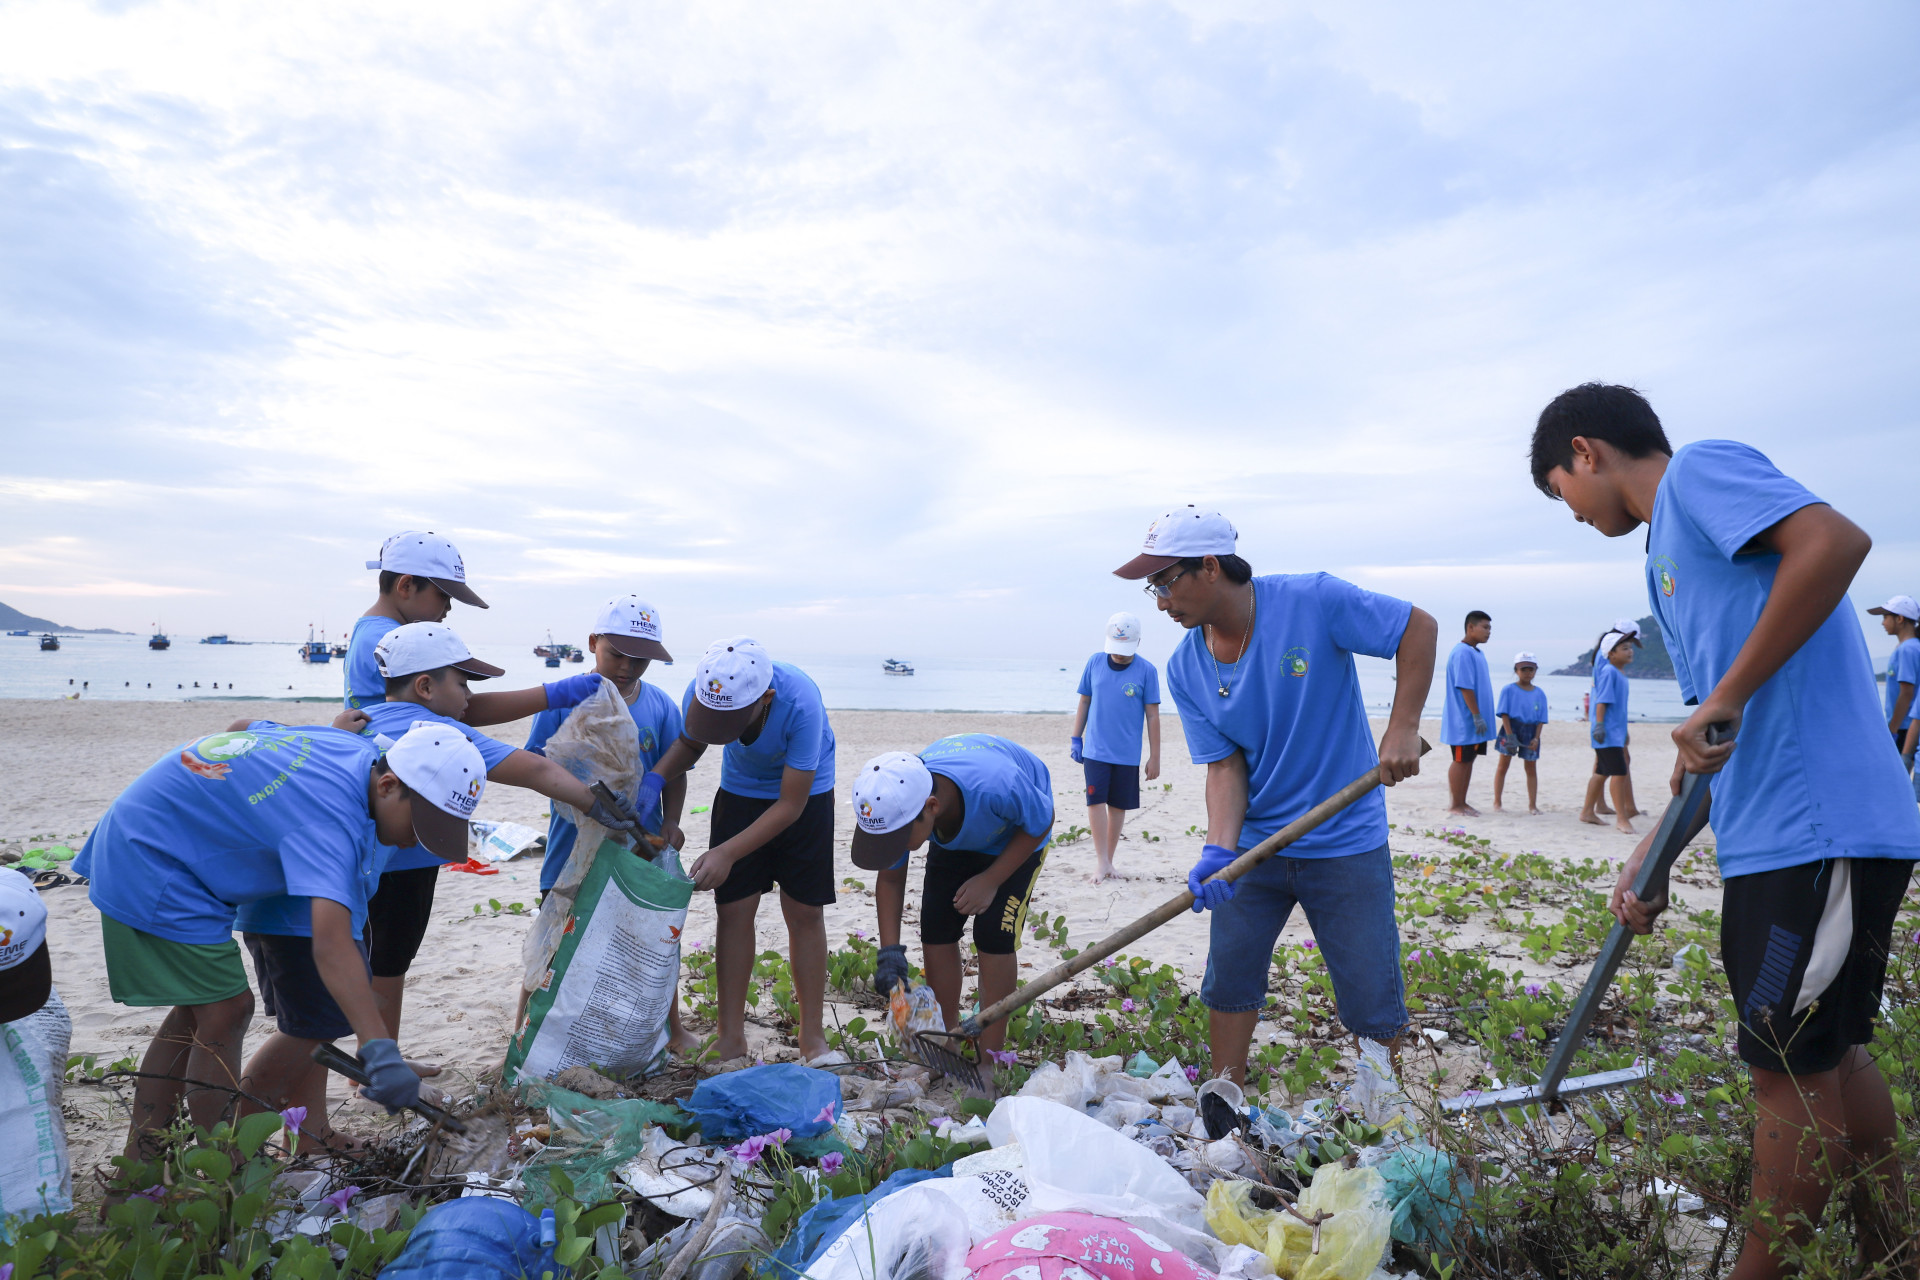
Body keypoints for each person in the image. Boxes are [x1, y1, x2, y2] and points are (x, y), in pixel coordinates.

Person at [1531, 381, 1919, 1279]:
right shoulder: (1664, 557)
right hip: (1783, 833)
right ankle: (1891, 1253)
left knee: (1784, 1067)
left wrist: (1729, 691)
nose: (1572, 514)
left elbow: (1834, 541)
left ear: (1585, 453)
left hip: (1817, 828)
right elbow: (1721, 732)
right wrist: (1655, 850)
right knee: (1830, 1056)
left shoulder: (1698, 474)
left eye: (1561, 492)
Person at [231, 624, 631, 1138]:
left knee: (325, 1013)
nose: (469, 697)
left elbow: (246, 725)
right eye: (463, 684)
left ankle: (312, 1132)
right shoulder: (439, 738)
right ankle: (249, 1138)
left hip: (315, 886)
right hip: (348, 883)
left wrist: (330, 730)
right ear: (425, 687)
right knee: (323, 1014)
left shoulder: (355, 728)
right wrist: (599, 805)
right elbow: (535, 769)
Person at [1111, 505, 1436, 1085]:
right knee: (1230, 978)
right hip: (1255, 847)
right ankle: (1224, 1094)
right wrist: (1219, 852)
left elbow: (1417, 628)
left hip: (1344, 839)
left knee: (1369, 986)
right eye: (1151, 587)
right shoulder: (1188, 667)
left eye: (1164, 581)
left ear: (1209, 566)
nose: (1159, 601)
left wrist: (1402, 724)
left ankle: (1384, 1098)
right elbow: (1226, 768)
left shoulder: (1312, 600)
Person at [73, 722, 486, 1159]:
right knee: (226, 1011)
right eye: (422, 824)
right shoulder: (330, 820)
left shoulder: (356, 751)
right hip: (151, 859)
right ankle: (225, 1169)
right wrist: (381, 1050)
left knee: (201, 1014)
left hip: (170, 844)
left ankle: (142, 1167)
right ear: (388, 785)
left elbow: (246, 728)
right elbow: (331, 944)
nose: (417, 842)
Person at [638, 638, 838, 1065]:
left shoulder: (801, 701)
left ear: (764, 699)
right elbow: (693, 743)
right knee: (733, 911)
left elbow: (791, 805)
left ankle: (813, 1038)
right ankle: (730, 1036)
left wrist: (726, 852)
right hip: (740, 791)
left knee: (805, 912)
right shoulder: (706, 686)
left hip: (806, 794)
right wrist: (655, 778)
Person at [524, 595, 699, 1055]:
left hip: (640, 847)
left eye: (639, 659)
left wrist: (674, 822)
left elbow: (675, 772)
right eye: (616, 654)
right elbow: (533, 766)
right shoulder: (565, 699)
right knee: (555, 943)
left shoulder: (660, 707)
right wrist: (582, 797)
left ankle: (673, 1029)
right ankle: (523, 1031)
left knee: (652, 942)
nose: (626, 667)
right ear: (592, 643)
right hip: (573, 846)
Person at [848, 736, 1053, 1061]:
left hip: (1017, 834)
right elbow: (889, 876)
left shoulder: (997, 784)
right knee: (936, 927)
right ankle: (947, 1044)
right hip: (953, 834)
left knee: (993, 937)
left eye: (897, 839)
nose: (893, 847)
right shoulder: (899, 797)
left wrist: (991, 879)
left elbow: (1041, 821)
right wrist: (890, 953)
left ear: (930, 807)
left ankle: (990, 1059)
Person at [344, 532, 487, 711]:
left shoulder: (370, 629)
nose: (449, 607)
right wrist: (534, 697)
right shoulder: (388, 638)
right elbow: (459, 708)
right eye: (443, 595)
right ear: (406, 586)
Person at [1069, 611, 1161, 882]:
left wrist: (1155, 756)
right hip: (1096, 749)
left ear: (1138, 642)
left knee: (1118, 806)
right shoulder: (1095, 662)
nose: (1119, 655)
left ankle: (1110, 860)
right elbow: (1085, 701)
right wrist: (1076, 737)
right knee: (1095, 801)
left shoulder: (1147, 671)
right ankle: (1101, 862)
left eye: (1125, 650)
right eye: (1116, 649)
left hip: (1127, 753)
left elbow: (1153, 715)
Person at [1579, 627, 1639, 833]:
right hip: (1606, 734)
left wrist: (1624, 732)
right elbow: (1601, 703)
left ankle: (1587, 811)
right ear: (1610, 653)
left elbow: (1619, 709)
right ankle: (1622, 819)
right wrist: (1600, 726)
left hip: (1616, 733)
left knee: (1602, 772)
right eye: (1624, 648)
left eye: (1630, 647)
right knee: (1619, 772)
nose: (1630, 651)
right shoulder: (1608, 672)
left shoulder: (1619, 673)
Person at [1442, 612, 1495, 816]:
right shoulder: (1462, 652)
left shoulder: (1476, 653)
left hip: (1475, 724)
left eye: (1490, 628)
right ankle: (1455, 804)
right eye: (1485, 627)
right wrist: (1475, 715)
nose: (1488, 632)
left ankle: (1463, 802)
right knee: (1460, 760)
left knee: (1469, 760)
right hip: (1464, 721)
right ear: (1470, 628)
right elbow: (1465, 687)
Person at [1867, 595, 1920, 770]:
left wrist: (1892, 730)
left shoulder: (1907, 650)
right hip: (1905, 726)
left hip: (1903, 727)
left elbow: (1906, 693)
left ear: (1900, 619)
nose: (1882, 623)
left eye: (1885, 617)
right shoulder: (1911, 647)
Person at [1492, 652, 1548, 814]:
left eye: (1531, 669)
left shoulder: (1539, 693)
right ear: (1516, 670)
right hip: (1511, 728)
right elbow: (1504, 714)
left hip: (1530, 731)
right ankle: (1497, 802)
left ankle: (1532, 805)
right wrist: (1509, 735)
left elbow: (1541, 719)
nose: (1527, 673)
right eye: (1523, 669)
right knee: (1503, 765)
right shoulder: (1508, 690)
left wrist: (1536, 738)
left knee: (1531, 768)